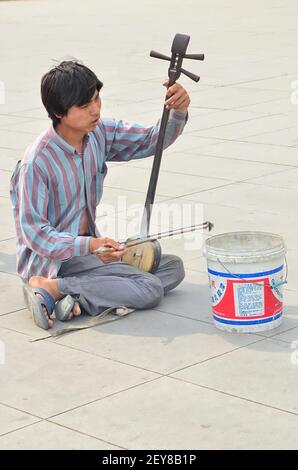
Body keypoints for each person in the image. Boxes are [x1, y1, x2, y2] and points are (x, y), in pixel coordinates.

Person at [10, 60, 190, 330]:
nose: (95, 109)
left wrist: (178, 110)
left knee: (172, 267)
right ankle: (52, 287)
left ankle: (75, 298)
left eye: (96, 98)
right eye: (84, 105)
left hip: (88, 252)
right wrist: (91, 246)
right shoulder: (36, 162)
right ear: (59, 112)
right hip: (53, 262)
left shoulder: (98, 134)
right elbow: (35, 235)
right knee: (150, 288)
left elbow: (153, 140)